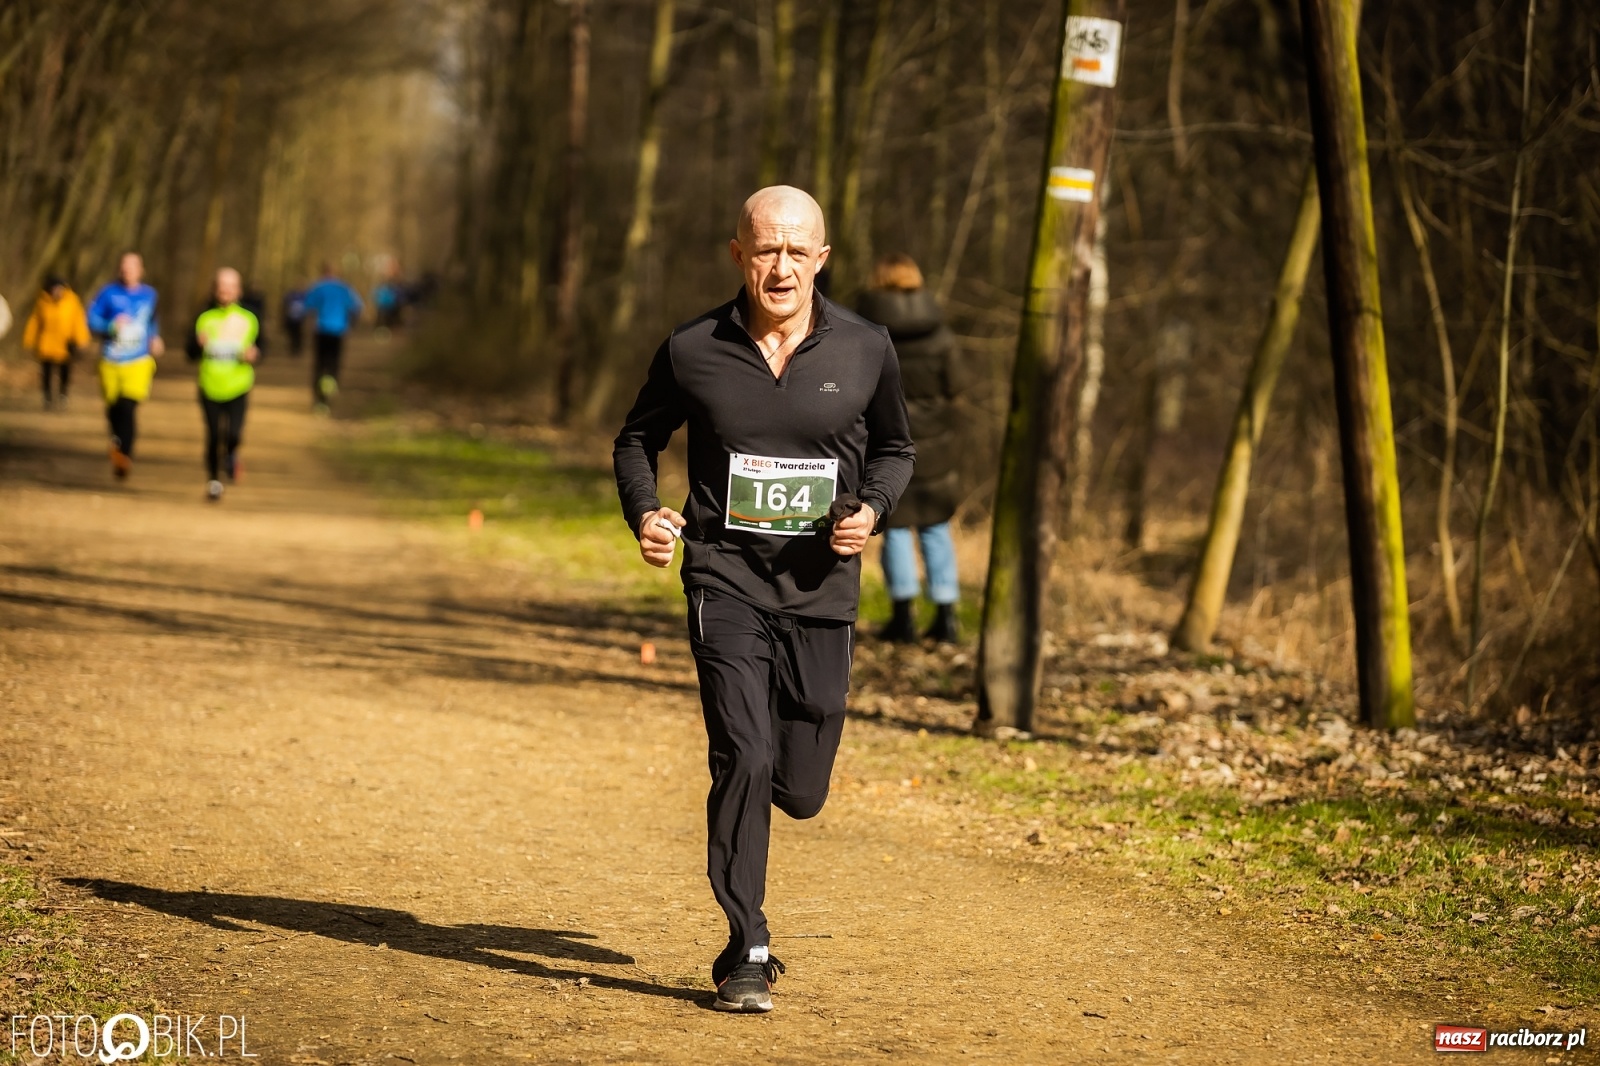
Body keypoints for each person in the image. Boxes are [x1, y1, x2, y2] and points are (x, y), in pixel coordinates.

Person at [613, 186, 914, 1013]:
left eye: (796, 251)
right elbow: (638, 437)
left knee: (802, 787)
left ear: (821, 259)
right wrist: (646, 513)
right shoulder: (692, 349)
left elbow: (895, 448)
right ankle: (747, 942)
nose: (779, 266)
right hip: (725, 580)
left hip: (822, 589)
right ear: (739, 254)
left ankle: (769, 794)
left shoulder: (866, 347)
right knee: (742, 755)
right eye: (764, 250)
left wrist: (872, 510)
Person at [856, 254, 973, 644]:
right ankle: (946, 616)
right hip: (937, 442)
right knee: (936, 527)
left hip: (887, 439)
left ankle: (902, 616)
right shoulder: (938, 332)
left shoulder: (866, 329)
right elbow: (957, 387)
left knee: (898, 529)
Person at [186, 268, 262, 501]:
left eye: (230, 286)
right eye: (221, 285)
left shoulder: (250, 318)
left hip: (238, 386)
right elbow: (189, 353)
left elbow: (261, 349)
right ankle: (213, 481)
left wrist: (254, 354)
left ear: (238, 290)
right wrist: (197, 345)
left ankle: (231, 455)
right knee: (213, 434)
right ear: (214, 288)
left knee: (233, 434)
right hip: (209, 385)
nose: (225, 290)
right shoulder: (203, 317)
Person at [87, 253, 165, 478]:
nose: (126, 271)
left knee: (128, 406)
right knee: (114, 407)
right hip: (111, 359)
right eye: (123, 267)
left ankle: (125, 455)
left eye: (131, 267)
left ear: (141, 270)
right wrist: (111, 325)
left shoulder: (150, 295)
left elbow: (152, 321)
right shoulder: (107, 293)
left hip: (139, 360)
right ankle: (117, 442)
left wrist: (155, 337)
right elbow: (91, 319)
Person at [300, 263, 363, 413]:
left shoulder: (318, 287)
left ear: (323, 273)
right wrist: (351, 322)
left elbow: (307, 306)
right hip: (339, 331)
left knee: (319, 364)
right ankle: (329, 393)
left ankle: (319, 400)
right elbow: (357, 306)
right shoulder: (345, 288)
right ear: (337, 273)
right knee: (334, 363)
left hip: (321, 330)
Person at [22, 276, 90, 409]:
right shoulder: (42, 302)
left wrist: (81, 339)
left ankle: (63, 394)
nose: (57, 291)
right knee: (46, 372)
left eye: (59, 288)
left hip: (66, 343)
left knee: (65, 371)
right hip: (46, 343)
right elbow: (35, 321)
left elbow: (78, 321)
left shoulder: (72, 300)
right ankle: (47, 397)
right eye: (54, 289)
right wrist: (29, 339)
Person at [282, 286, 307, 356]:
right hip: (291, 317)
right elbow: (286, 305)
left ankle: (297, 348)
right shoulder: (290, 295)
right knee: (292, 333)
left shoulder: (304, 296)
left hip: (300, 319)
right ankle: (293, 347)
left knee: (299, 334)